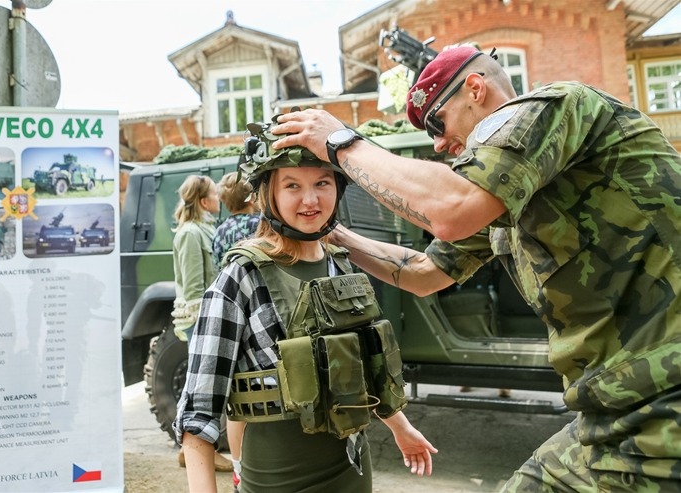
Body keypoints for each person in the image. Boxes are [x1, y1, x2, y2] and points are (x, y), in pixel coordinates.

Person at [270, 45, 681, 492]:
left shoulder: (559, 105)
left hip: (663, 392)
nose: (439, 145)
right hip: (618, 405)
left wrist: (341, 142)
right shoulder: (503, 194)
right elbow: (426, 272)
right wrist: (338, 236)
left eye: (437, 123)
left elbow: (452, 208)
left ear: (476, 88)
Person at [173, 119, 437, 493]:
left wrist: (401, 427)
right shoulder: (240, 278)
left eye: (322, 183)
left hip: (352, 474)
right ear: (269, 194)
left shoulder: (341, 264)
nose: (310, 200)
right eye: (292, 185)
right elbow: (198, 419)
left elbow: (364, 368)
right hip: (278, 483)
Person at [170, 174, 233, 473]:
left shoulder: (206, 230)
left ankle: (197, 450)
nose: (218, 198)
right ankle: (195, 449)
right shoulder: (190, 234)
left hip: (211, 316)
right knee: (200, 391)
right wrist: (202, 328)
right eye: (213, 194)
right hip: (200, 319)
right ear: (202, 200)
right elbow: (194, 287)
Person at [211, 171, 261, 492]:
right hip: (258, 309)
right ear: (252, 198)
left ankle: (239, 466)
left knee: (236, 401)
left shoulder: (219, 231)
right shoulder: (260, 224)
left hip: (230, 312)